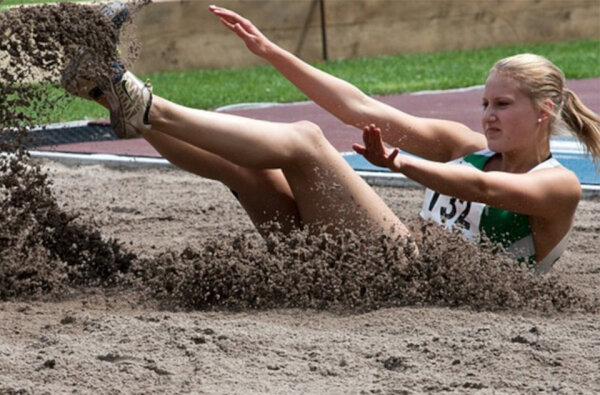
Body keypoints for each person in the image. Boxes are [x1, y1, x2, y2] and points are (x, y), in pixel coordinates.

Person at [62, 5, 600, 272]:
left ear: (543, 111)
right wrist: (271, 52)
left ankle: (142, 101)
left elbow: (481, 192)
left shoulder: (559, 188)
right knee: (246, 167)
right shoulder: (464, 146)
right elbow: (359, 106)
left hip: (415, 281)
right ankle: (110, 98)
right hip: (360, 270)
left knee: (305, 141)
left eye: (502, 104)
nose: (487, 115)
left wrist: (397, 163)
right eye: (485, 103)